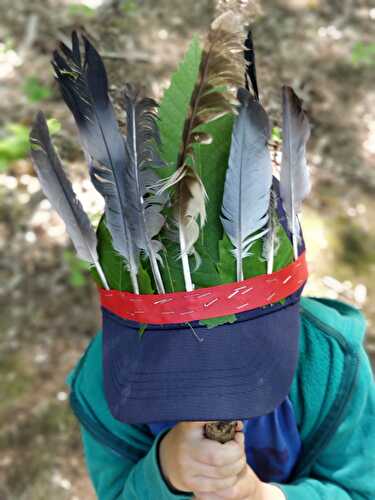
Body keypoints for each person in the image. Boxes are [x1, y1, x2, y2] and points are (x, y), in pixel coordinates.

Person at [29, 14, 375, 500]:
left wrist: (266, 497)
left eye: (236, 364)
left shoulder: (329, 366)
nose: (213, 404)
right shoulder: (108, 386)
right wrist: (163, 473)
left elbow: (362, 486)